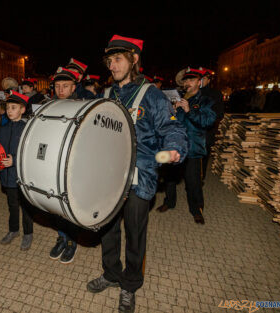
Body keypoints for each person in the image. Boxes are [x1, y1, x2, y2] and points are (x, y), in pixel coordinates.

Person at [86, 35, 188, 313]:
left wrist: (174, 149)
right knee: (106, 228)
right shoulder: (106, 95)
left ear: (134, 60)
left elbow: (173, 128)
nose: (112, 65)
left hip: (139, 176)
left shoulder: (151, 94)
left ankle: (130, 284)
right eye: (109, 60)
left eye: (117, 59)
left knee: (134, 233)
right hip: (108, 176)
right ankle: (111, 273)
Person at [157, 67, 216, 225]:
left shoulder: (206, 101)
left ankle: (197, 210)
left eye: (191, 80)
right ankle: (169, 202)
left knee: (193, 182)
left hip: (193, 148)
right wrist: (172, 111)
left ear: (199, 82)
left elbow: (207, 121)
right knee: (170, 177)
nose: (187, 83)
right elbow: (169, 121)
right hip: (175, 145)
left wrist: (189, 111)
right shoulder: (178, 98)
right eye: (185, 80)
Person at [47, 66, 82, 264]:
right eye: (57, 86)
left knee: (68, 204)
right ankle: (61, 237)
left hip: (72, 162)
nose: (61, 90)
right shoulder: (49, 105)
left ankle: (72, 241)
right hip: (52, 160)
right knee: (54, 202)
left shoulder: (82, 105)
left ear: (73, 87)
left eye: (65, 86)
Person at [0, 91, 34, 250]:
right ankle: (13, 230)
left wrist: (15, 160)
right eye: (8, 107)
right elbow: (0, 147)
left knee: (26, 207)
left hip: (22, 175)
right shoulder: (3, 128)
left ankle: (28, 233)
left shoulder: (27, 128)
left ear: (22, 110)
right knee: (12, 205)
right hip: (7, 175)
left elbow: (30, 152)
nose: (9, 111)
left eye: (13, 107)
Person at [199, 68, 224, 179]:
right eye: (198, 79)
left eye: (203, 78)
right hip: (193, 130)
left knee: (203, 157)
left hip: (206, 131)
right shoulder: (192, 93)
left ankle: (201, 178)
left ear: (209, 80)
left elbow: (220, 113)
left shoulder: (215, 94)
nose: (200, 81)